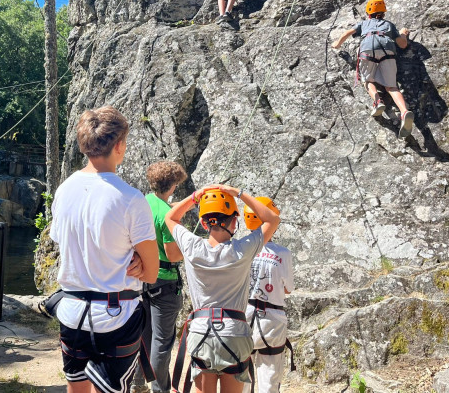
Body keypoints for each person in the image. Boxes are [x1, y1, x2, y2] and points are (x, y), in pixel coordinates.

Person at [50, 106, 160, 393]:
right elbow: (151, 273)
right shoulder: (131, 199)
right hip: (117, 314)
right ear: (120, 145)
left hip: (72, 311)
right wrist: (134, 257)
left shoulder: (64, 191)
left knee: (76, 387)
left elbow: (69, 245)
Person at [165, 185, 280, 393]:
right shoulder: (242, 249)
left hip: (201, 331)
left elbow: (170, 218)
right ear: (234, 221)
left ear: (202, 222)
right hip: (234, 332)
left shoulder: (192, 247)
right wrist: (238, 192)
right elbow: (272, 219)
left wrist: (195, 196)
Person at [131, 161, 189, 393]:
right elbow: (173, 255)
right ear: (173, 185)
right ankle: (160, 388)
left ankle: (136, 383)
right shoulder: (167, 216)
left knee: (143, 335)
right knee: (162, 342)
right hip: (164, 280)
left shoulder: (144, 202)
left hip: (141, 279)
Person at [331, 0, 415, 138]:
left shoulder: (364, 23)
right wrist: (403, 34)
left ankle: (377, 101)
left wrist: (337, 44)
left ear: (368, 13)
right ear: (383, 13)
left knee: (368, 80)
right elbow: (402, 44)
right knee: (392, 87)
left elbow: (347, 33)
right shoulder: (389, 25)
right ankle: (404, 111)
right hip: (387, 51)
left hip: (367, 50)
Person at [243, 202, 294, 393]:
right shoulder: (283, 253)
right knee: (269, 374)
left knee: (241, 374)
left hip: (243, 314)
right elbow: (288, 288)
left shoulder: (240, 248)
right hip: (272, 318)